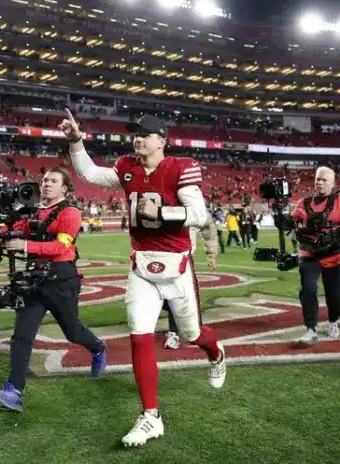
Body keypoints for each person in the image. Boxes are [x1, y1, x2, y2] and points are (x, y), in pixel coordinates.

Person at [63, 110, 227, 447]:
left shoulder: (180, 167)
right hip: (142, 265)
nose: (137, 139)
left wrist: (162, 212)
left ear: (161, 140)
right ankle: (151, 416)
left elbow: (199, 215)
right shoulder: (127, 166)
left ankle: (216, 353)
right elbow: (90, 173)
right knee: (139, 338)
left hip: (176, 265)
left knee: (193, 334)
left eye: (145, 134)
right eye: (135, 134)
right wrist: (76, 141)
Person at [0, 167, 107, 412]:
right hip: (33, 280)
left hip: (61, 280)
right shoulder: (33, 212)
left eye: (53, 181)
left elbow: (61, 247)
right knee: (22, 336)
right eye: (44, 180)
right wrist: (1, 235)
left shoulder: (71, 212)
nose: (47, 184)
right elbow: (14, 227)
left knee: (73, 332)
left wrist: (25, 245)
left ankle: (98, 348)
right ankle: (13, 391)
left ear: (65, 188)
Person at [291, 167, 340, 345]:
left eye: (324, 180)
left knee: (334, 294)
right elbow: (291, 223)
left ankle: (333, 321)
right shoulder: (303, 203)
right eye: (317, 179)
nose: (320, 182)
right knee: (308, 289)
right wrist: (284, 222)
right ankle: (310, 329)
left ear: (333, 184)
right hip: (309, 253)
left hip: (334, 255)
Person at [164, 209, 220, 350]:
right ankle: (179, 327)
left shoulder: (192, 205)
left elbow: (208, 226)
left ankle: (175, 331)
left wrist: (212, 253)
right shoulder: (163, 202)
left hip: (183, 258)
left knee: (178, 295)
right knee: (163, 298)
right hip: (157, 256)